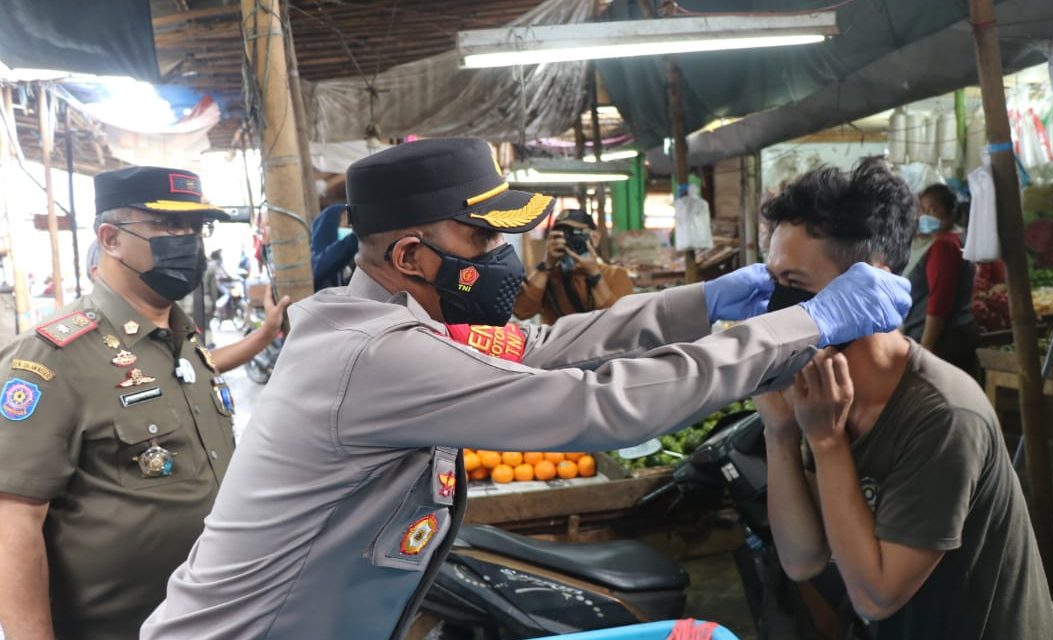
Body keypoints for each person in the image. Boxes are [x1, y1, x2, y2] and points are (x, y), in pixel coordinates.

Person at [140, 138, 913, 639]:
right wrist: (806, 321)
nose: (505, 253)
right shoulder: (375, 353)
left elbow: (543, 346)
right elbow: (597, 405)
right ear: (411, 254)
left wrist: (700, 303)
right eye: (482, 237)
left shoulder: (393, 317)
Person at [755, 162, 1053, 639]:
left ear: (869, 286)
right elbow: (803, 560)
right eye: (772, 279)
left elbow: (876, 597)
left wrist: (825, 441)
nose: (773, 305)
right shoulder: (823, 388)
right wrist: (780, 432)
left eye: (794, 285)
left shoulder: (943, 416)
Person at [0, 166, 241, 640]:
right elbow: (14, 522)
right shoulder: (52, 356)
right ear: (110, 239)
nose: (188, 242)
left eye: (196, 228)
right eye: (169, 227)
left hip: (214, 618)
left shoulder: (184, 339)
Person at [85, 240, 292, 373]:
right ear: (97, 273)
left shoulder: (169, 322)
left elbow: (200, 364)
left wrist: (266, 332)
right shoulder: (83, 346)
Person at [901, 183, 978, 373]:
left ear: (950, 212)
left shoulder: (943, 246)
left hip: (942, 339)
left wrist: (925, 349)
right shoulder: (958, 237)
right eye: (923, 210)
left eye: (933, 209)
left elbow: (939, 301)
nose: (926, 216)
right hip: (959, 330)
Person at [513, 209, 634, 323]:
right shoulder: (548, 277)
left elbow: (618, 321)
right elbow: (522, 312)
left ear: (595, 237)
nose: (568, 241)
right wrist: (546, 265)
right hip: (560, 344)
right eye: (562, 235)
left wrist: (594, 274)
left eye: (575, 234)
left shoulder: (615, 274)